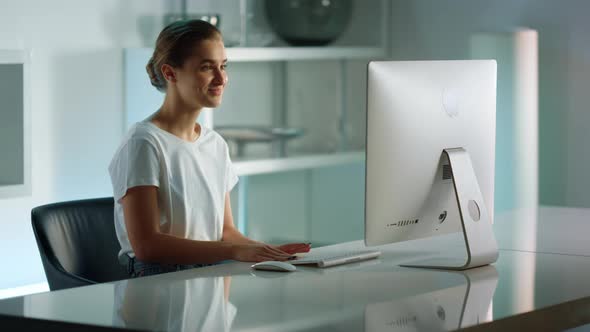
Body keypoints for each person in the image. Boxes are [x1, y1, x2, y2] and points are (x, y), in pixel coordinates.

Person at [109, 20, 310, 278]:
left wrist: (267, 251)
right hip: (156, 279)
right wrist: (233, 252)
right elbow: (147, 246)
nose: (221, 78)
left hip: (210, 272)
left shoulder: (215, 144)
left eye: (223, 66)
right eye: (207, 67)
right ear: (170, 73)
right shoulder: (144, 143)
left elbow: (226, 232)